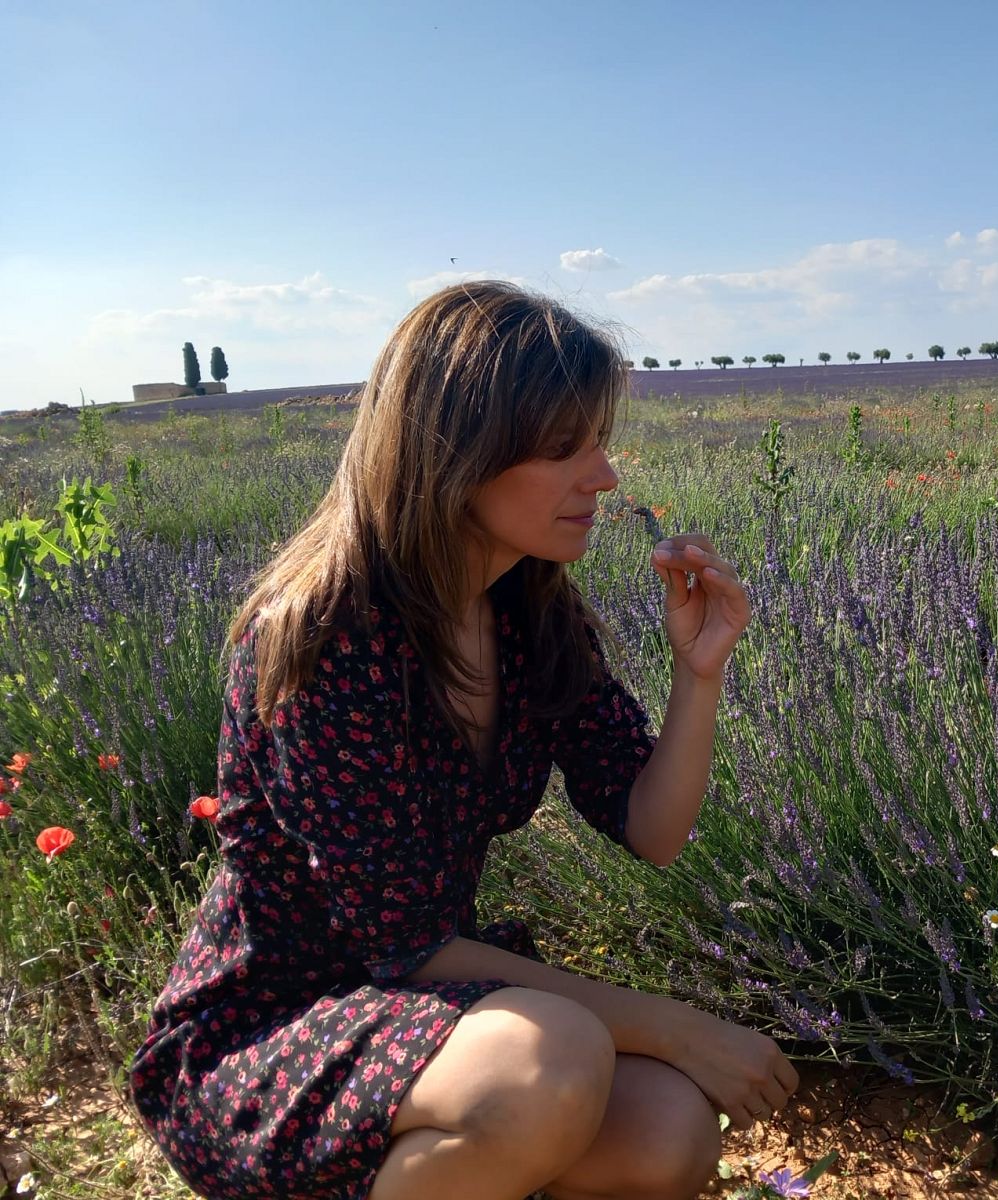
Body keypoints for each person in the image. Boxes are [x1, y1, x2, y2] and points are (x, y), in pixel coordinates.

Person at [127, 280, 798, 1200]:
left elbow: (654, 829)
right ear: (455, 453)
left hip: (417, 1015)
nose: (602, 476)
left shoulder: (529, 613)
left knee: (667, 1135)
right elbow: (402, 946)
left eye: (598, 441)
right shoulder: (325, 636)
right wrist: (674, 1025)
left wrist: (701, 673)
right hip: (274, 1027)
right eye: (565, 447)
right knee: (546, 1063)